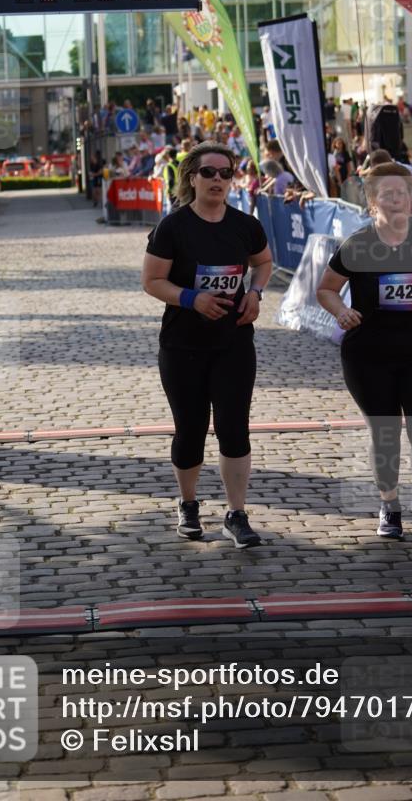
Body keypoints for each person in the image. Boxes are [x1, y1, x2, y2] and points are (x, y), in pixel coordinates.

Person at [316, 162, 412, 540]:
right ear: (372, 203)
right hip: (368, 355)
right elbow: (326, 289)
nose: (397, 199)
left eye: (402, 192)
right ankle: (389, 505)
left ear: (411, 199)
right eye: (387, 194)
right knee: (386, 434)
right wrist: (341, 310)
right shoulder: (358, 245)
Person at [142, 142, 273, 549]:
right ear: (192, 178)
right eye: (208, 172)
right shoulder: (173, 227)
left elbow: (264, 262)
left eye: (225, 173)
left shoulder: (245, 225)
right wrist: (191, 298)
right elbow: (151, 281)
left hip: (234, 342)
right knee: (191, 429)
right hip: (183, 345)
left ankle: (237, 514)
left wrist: (256, 293)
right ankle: (188, 504)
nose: (218, 179)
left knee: (234, 427)